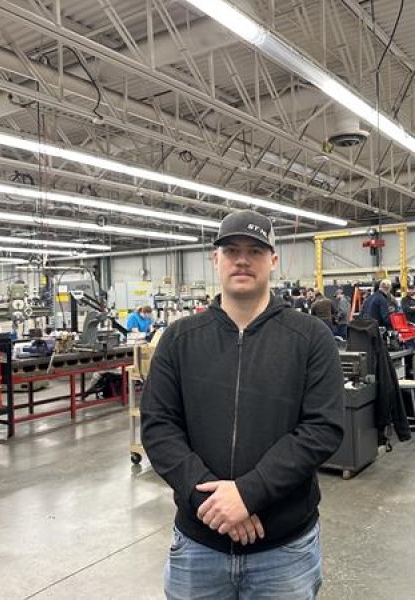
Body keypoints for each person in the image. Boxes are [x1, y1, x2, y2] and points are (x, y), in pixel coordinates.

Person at [141, 209, 344, 600]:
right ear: (215, 259)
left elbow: (322, 428)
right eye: (231, 249)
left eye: (255, 250)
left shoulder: (311, 338)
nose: (242, 259)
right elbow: (159, 427)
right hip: (199, 547)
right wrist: (214, 503)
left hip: (284, 549)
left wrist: (250, 493)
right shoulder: (179, 339)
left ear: (273, 260)